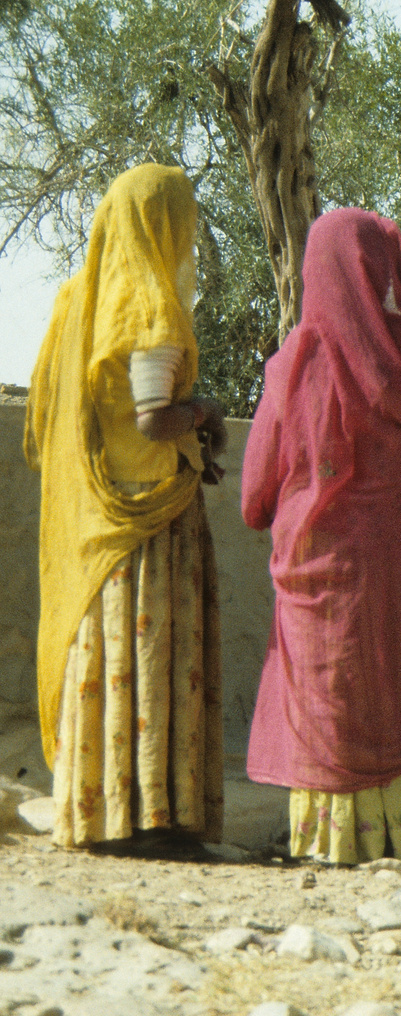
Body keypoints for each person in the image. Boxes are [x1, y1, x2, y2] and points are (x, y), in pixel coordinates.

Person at [241, 208, 401, 875]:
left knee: (333, 686)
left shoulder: (295, 366)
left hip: (321, 572)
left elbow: (255, 496)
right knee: (395, 680)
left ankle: (335, 844)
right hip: (400, 562)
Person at [25, 164, 228, 857]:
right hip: (151, 524)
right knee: (154, 658)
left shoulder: (78, 299)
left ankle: (97, 811)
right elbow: (151, 421)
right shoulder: (148, 305)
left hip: (98, 520)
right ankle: (152, 817)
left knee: (105, 656)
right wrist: (202, 413)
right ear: (161, 222)